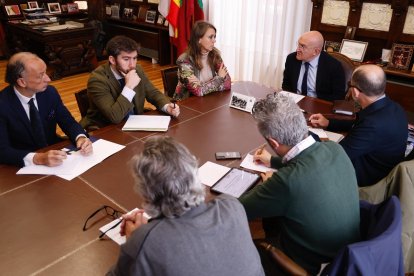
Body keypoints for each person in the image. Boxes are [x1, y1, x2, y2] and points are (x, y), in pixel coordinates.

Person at [107, 136, 264, 276]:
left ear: (146, 192)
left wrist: (135, 238)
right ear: (193, 171)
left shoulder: (145, 242)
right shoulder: (232, 205)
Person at [239, 93, 360, 275]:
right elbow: (307, 160)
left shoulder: (287, 181)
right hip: (347, 256)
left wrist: (268, 188)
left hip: (314, 266)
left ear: (273, 142)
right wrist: (272, 161)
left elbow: (239, 209)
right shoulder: (335, 149)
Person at [309, 64, 408, 187]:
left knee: (312, 169)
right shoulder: (392, 107)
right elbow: (358, 124)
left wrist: (307, 136)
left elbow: (336, 155)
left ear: (355, 92)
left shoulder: (373, 125)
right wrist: (329, 122)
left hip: (368, 181)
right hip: (378, 163)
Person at [0, 52, 92, 167]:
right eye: (40, 75)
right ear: (22, 82)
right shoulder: (3, 105)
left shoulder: (49, 92)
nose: (48, 79)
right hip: (20, 165)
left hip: (56, 154)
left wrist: (80, 137)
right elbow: (2, 150)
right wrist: (37, 158)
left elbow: (68, 122)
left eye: (46, 72)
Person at [80, 35, 180, 129]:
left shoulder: (137, 69)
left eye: (135, 58)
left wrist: (167, 107)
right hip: (106, 130)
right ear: (112, 60)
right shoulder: (97, 80)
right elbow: (115, 117)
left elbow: (153, 93)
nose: (132, 65)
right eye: (126, 59)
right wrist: (129, 87)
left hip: (134, 125)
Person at [173, 20, 231, 100]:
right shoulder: (184, 61)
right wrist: (218, 79)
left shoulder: (215, 55)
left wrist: (202, 85)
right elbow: (198, 91)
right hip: (186, 104)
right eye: (210, 37)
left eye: (214, 37)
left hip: (207, 101)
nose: (214, 41)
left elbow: (227, 83)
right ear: (199, 39)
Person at [282, 31, 346, 101]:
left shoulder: (334, 66)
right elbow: (286, 85)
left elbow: (338, 96)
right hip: (294, 102)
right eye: (298, 44)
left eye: (303, 46)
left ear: (316, 51)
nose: (297, 49)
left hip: (319, 105)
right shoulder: (291, 59)